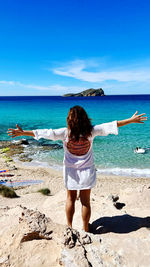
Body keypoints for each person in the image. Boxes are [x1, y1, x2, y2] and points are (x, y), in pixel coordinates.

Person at [7, 106, 147, 232]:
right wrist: (130, 120)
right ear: (85, 118)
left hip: (70, 172)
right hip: (87, 171)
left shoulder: (64, 133)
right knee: (85, 201)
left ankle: (69, 226)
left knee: (70, 199)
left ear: (69, 119)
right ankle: (86, 228)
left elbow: (45, 133)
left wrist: (23, 132)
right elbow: (111, 125)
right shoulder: (91, 131)